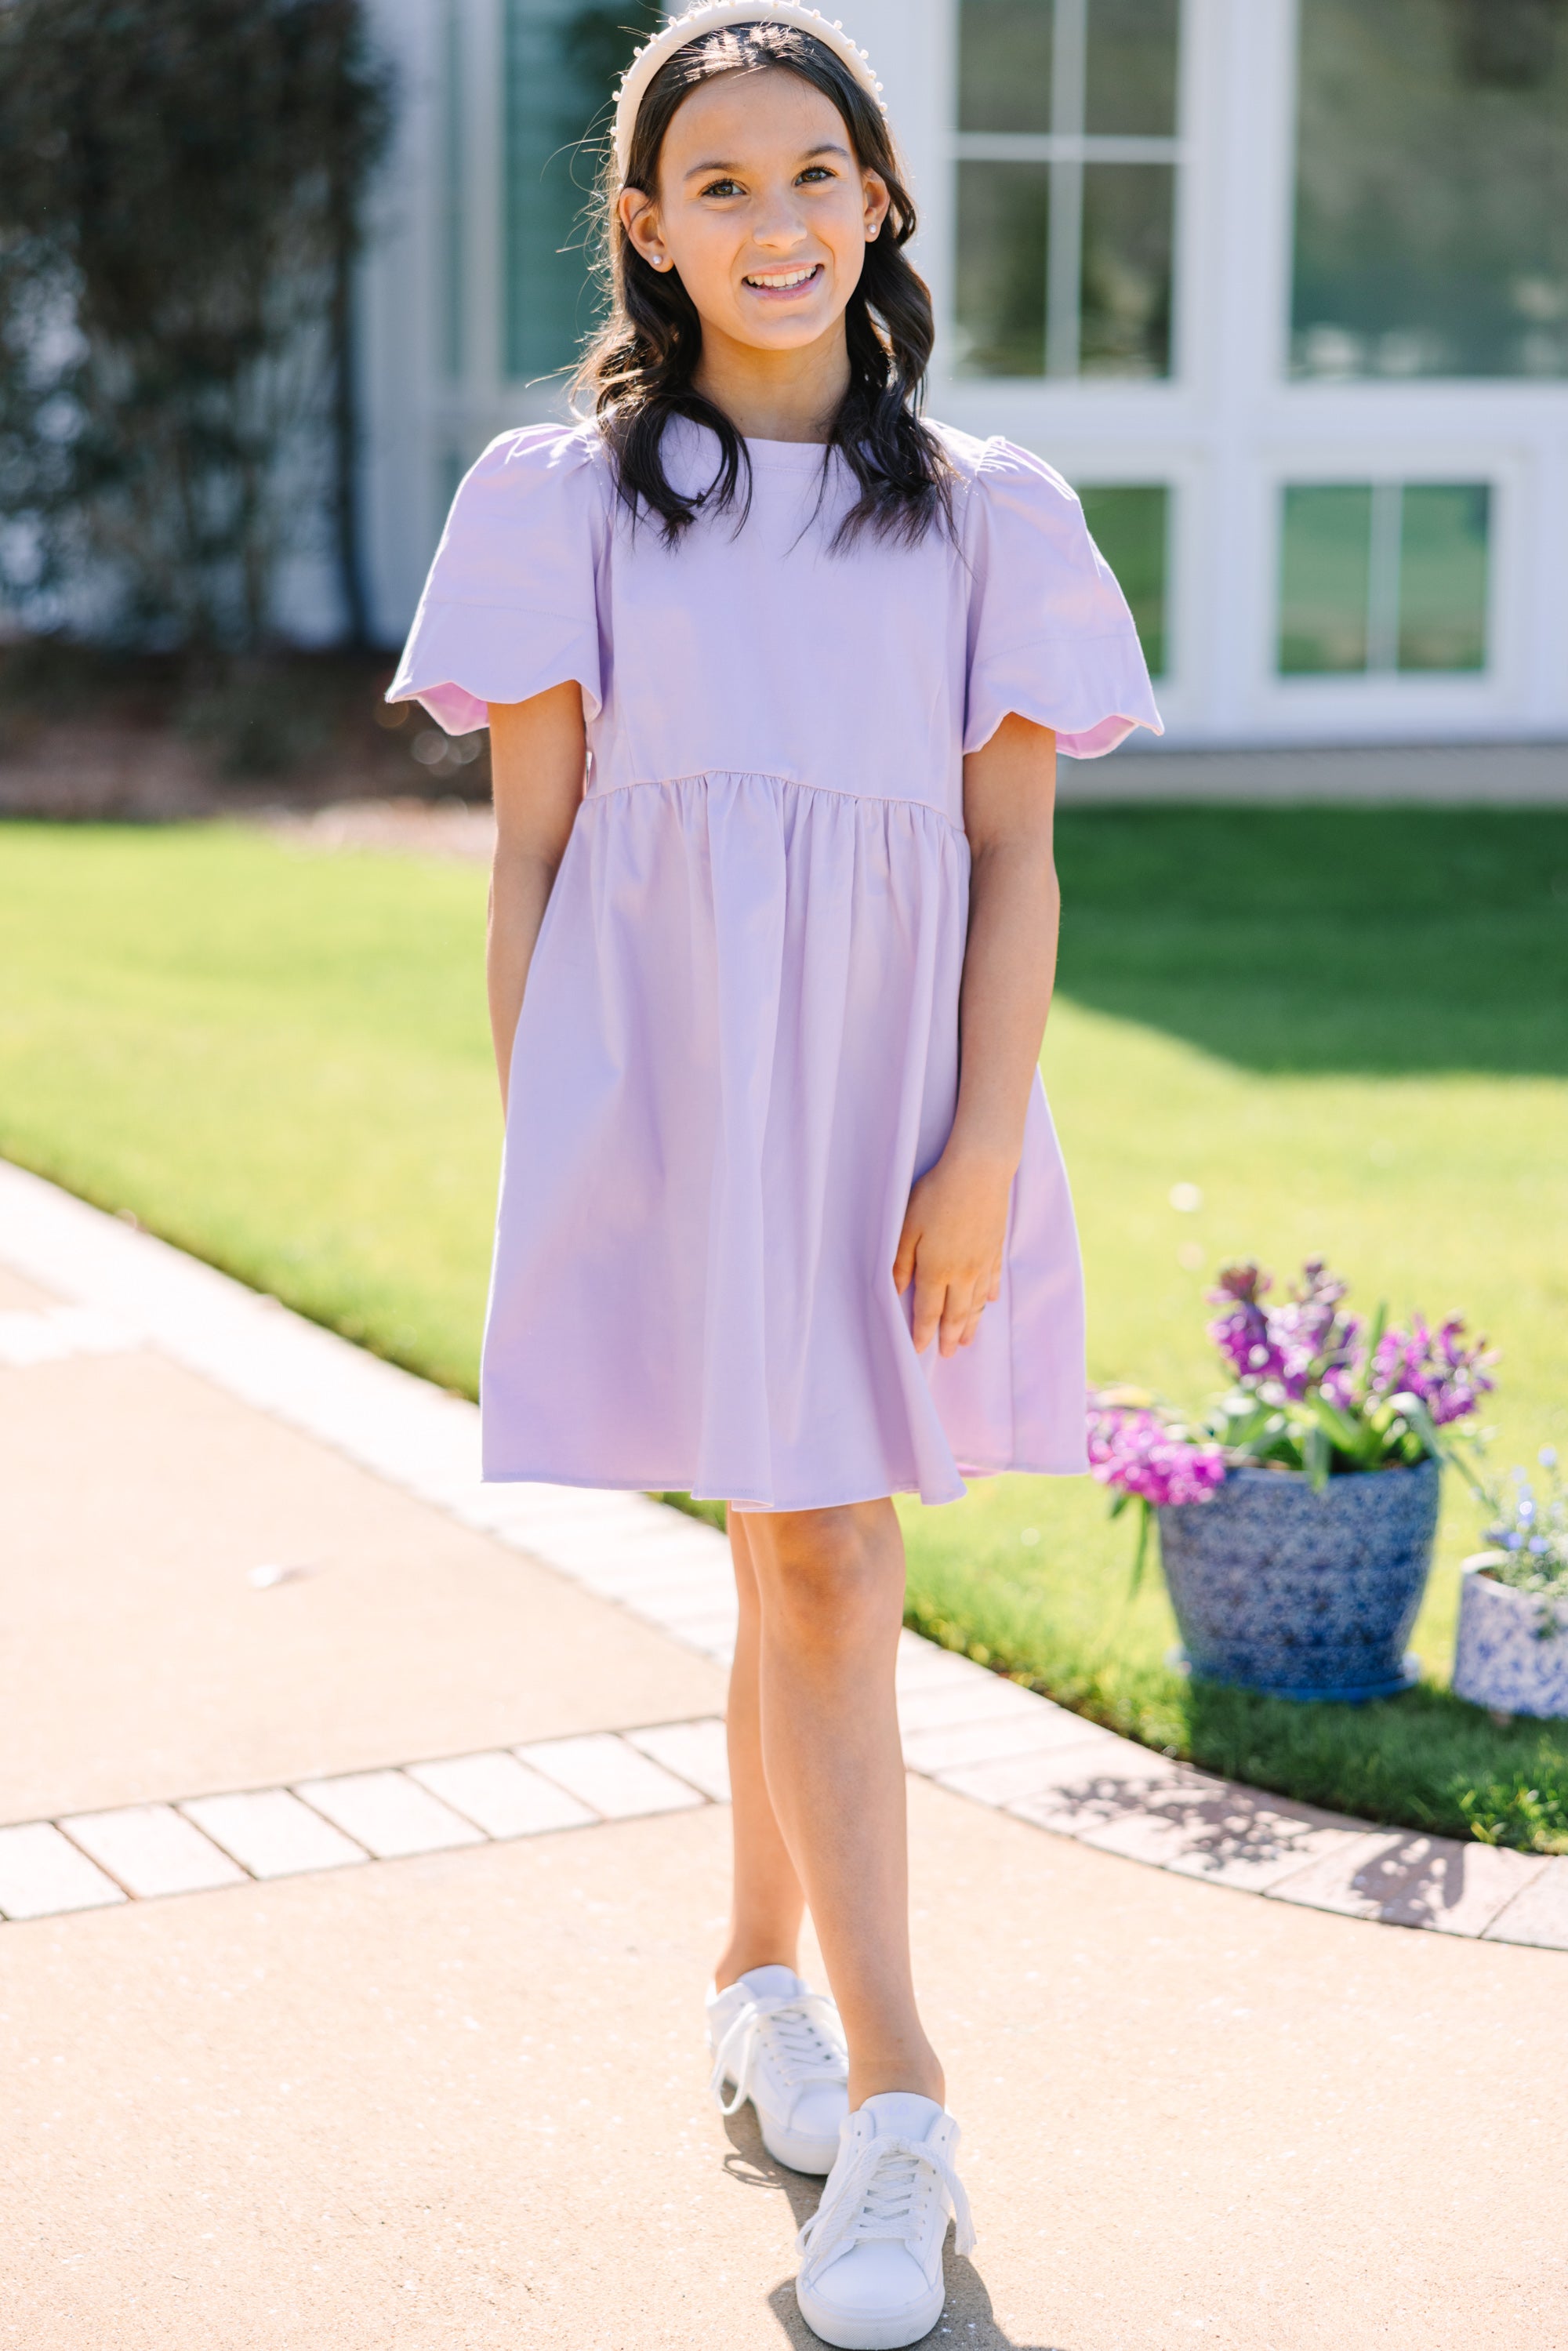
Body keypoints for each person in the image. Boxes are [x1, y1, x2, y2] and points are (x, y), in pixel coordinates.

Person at [388, 5, 1160, 2341]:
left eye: (813, 172)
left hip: (897, 1107)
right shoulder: (557, 501)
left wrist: (980, 1148)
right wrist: (571, 1156)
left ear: (882, 199)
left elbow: (1012, 865)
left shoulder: (994, 512)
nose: (776, 220)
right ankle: (799, 2010)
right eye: (718, 184)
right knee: (790, 1536)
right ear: (646, 227)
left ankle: (878, 2088)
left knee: (818, 1541)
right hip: (671, 1100)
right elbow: (535, 855)